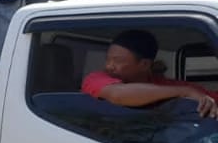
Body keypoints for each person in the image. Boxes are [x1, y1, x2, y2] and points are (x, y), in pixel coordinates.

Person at [82, 29, 218, 117]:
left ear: (144, 64)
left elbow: (205, 97)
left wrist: (203, 100)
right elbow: (118, 95)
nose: (109, 66)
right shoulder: (96, 79)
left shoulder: (166, 85)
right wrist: (184, 92)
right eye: (108, 59)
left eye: (117, 61)